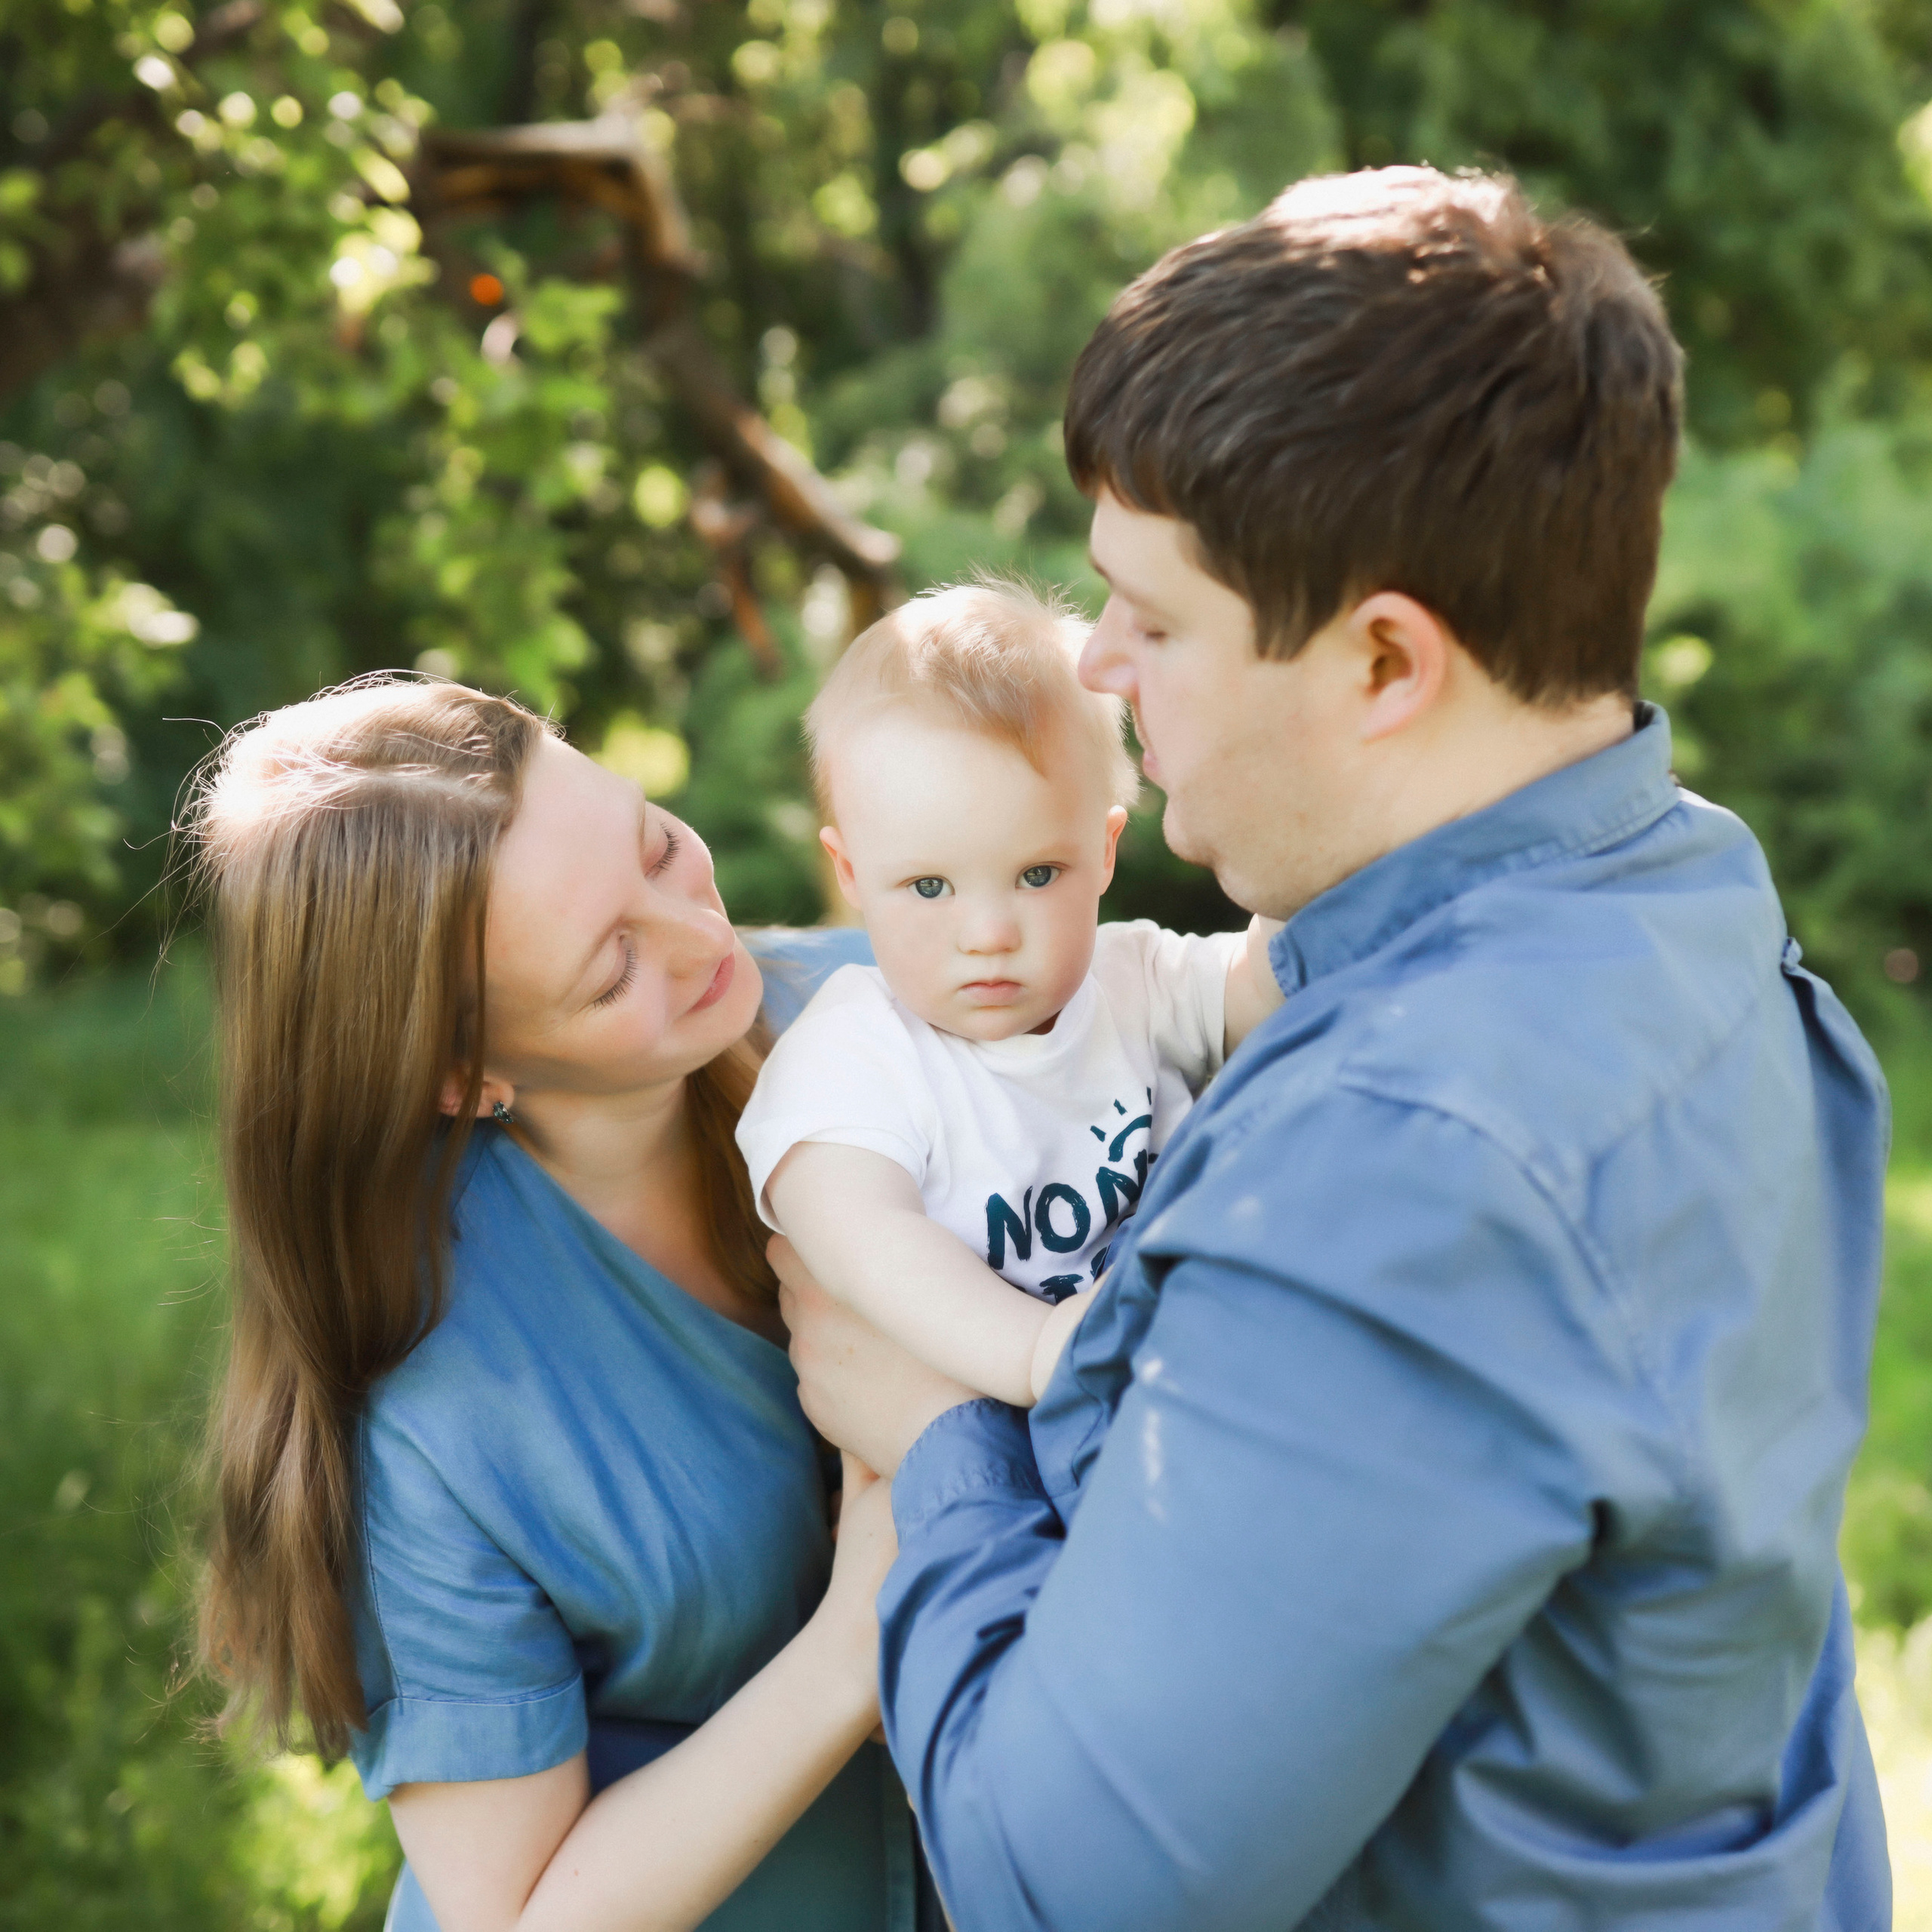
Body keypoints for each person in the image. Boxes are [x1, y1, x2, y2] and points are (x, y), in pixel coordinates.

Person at [780, 167, 1894, 1928]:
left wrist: (930, 1432)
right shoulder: (1677, 888)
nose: (1094, 659)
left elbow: (1057, 1878)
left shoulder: (1406, 1156)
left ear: (1383, 659)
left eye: (1150, 616)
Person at [188, 676, 918, 1932]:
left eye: (658, 848)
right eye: (613, 963)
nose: (703, 939)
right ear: (467, 1076)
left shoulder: (876, 1010)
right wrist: (858, 1636)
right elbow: (518, 1916)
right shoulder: (434, 1412)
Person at [736, 580, 1281, 1408]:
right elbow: (870, 1245)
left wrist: (1301, 841)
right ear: (851, 875)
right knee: (882, 1519)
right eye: (927, 887)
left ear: (1103, 851)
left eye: (1036, 873)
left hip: (1154, 1387)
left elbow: (1266, 990)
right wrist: (1038, 1353)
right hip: (972, 1410)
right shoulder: (848, 1061)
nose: (987, 932)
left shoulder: (1131, 976)